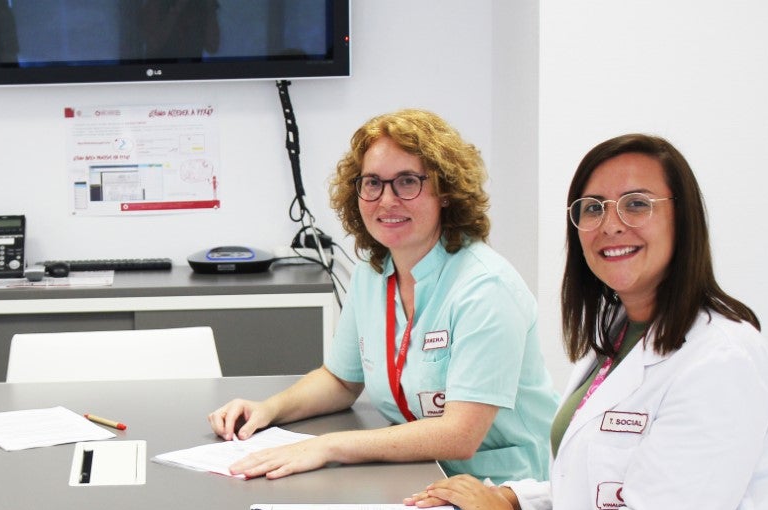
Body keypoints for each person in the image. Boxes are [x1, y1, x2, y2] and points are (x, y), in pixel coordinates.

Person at [409, 134, 768, 510]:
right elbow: (610, 479)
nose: (610, 224)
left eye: (636, 204)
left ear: (685, 221)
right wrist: (516, 497)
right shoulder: (623, 328)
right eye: (592, 208)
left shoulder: (722, 358)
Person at [209, 109, 556, 482]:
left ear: (445, 192)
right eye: (372, 183)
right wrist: (268, 409)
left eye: (407, 182)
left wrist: (325, 446)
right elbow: (341, 381)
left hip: (500, 493)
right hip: (416, 474)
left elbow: (459, 435)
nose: (386, 200)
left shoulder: (486, 288)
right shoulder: (372, 275)